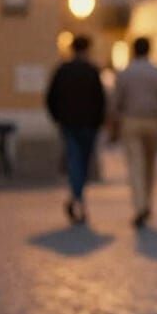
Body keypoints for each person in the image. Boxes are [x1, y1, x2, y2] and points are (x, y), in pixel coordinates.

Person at [111, 37, 157, 228]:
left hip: (131, 121)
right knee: (150, 165)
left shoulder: (125, 73)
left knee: (135, 166)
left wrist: (113, 123)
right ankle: (147, 203)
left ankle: (140, 206)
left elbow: (115, 102)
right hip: (153, 121)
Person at [45, 35, 106, 225]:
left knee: (74, 160)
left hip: (69, 123)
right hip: (88, 124)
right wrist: (99, 121)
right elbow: (100, 99)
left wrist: (58, 118)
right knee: (83, 162)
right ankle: (78, 198)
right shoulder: (92, 70)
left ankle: (76, 197)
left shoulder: (62, 70)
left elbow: (51, 97)